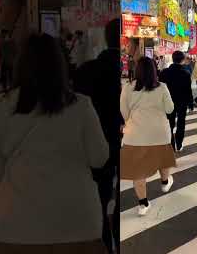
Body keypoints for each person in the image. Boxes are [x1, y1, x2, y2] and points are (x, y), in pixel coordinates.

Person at [0, 33, 109, 253]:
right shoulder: (81, 105)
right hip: (78, 221)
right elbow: (99, 158)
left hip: (13, 225)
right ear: (61, 66)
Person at [73, 19, 122, 254]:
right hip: (123, 141)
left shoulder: (87, 70)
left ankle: (105, 243)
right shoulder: (129, 69)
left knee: (100, 203)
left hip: (94, 144)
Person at [120, 57, 176, 216]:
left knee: (138, 171)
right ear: (154, 70)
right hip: (159, 132)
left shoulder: (128, 87)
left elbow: (124, 111)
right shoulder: (162, 87)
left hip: (135, 134)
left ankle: (143, 205)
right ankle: (165, 182)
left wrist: (132, 121)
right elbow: (170, 109)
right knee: (163, 159)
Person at [159, 51, 194, 151]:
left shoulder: (164, 73)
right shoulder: (186, 74)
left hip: (167, 102)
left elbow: (160, 88)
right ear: (182, 60)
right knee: (181, 123)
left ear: (173, 59)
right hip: (182, 102)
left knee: (169, 123)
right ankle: (179, 143)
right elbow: (188, 90)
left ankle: (171, 142)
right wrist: (190, 103)